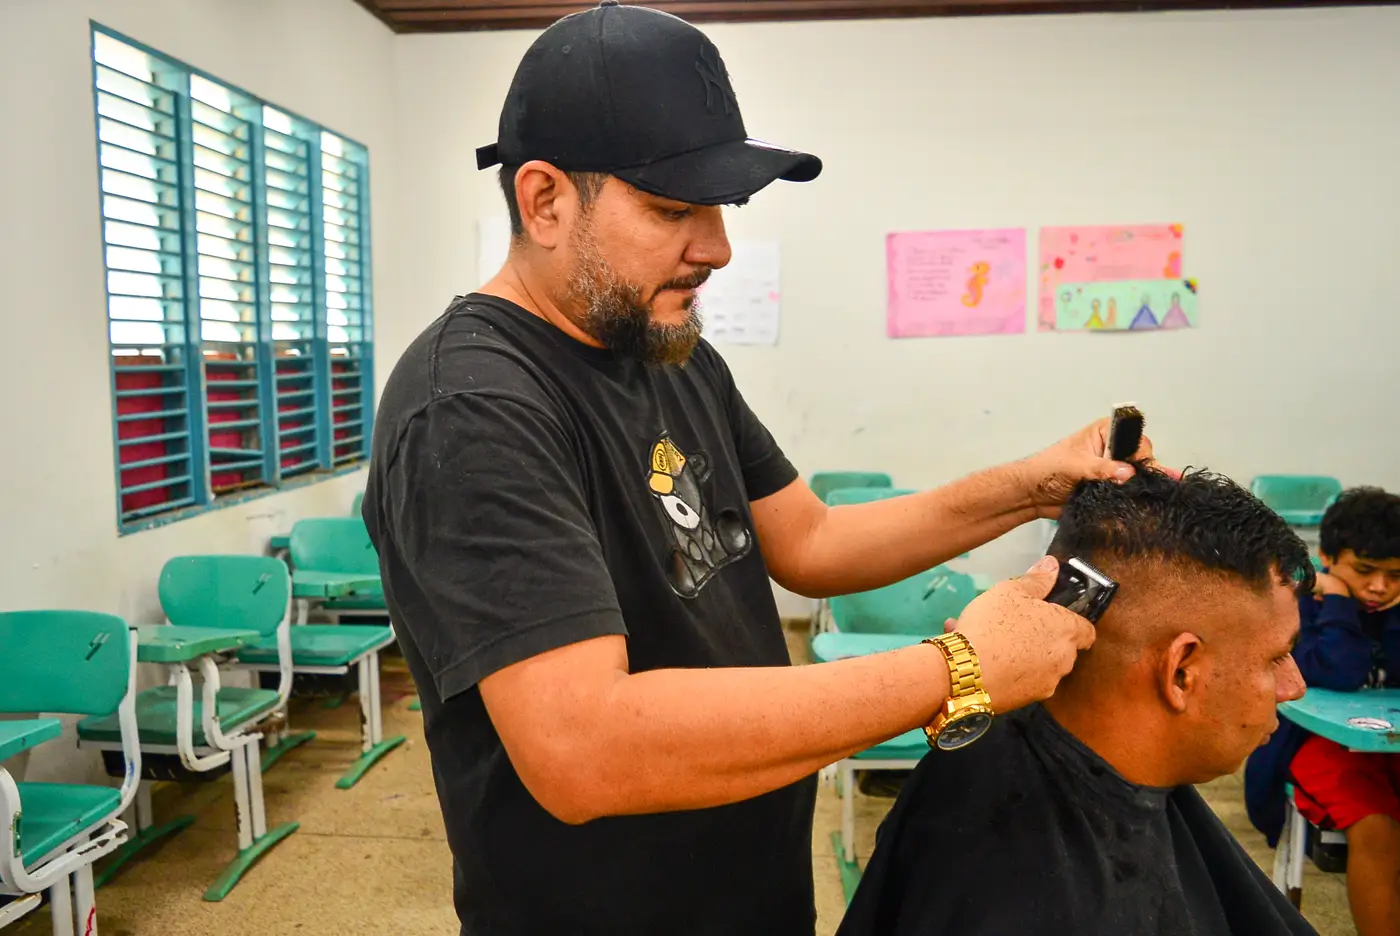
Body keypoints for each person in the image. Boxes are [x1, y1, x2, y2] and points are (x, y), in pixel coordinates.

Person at [362, 4, 1156, 934]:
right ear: (545, 202)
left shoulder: (670, 353)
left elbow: (811, 541)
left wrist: (1032, 486)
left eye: (722, 209)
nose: (717, 248)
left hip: (752, 891)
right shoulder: (472, 408)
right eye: (672, 209)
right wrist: (960, 669)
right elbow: (585, 748)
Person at [836, 468, 1318, 936]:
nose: (1293, 685)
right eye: (1277, 656)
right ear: (1181, 671)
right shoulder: (1022, 890)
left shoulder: (995, 751)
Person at [1246, 487, 1400, 936]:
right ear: (1328, 558)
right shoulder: (1301, 611)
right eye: (1364, 570)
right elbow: (1338, 671)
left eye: (1395, 575)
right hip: (1319, 747)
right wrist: (1338, 602)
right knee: (1376, 830)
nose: (1379, 586)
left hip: (1388, 748)